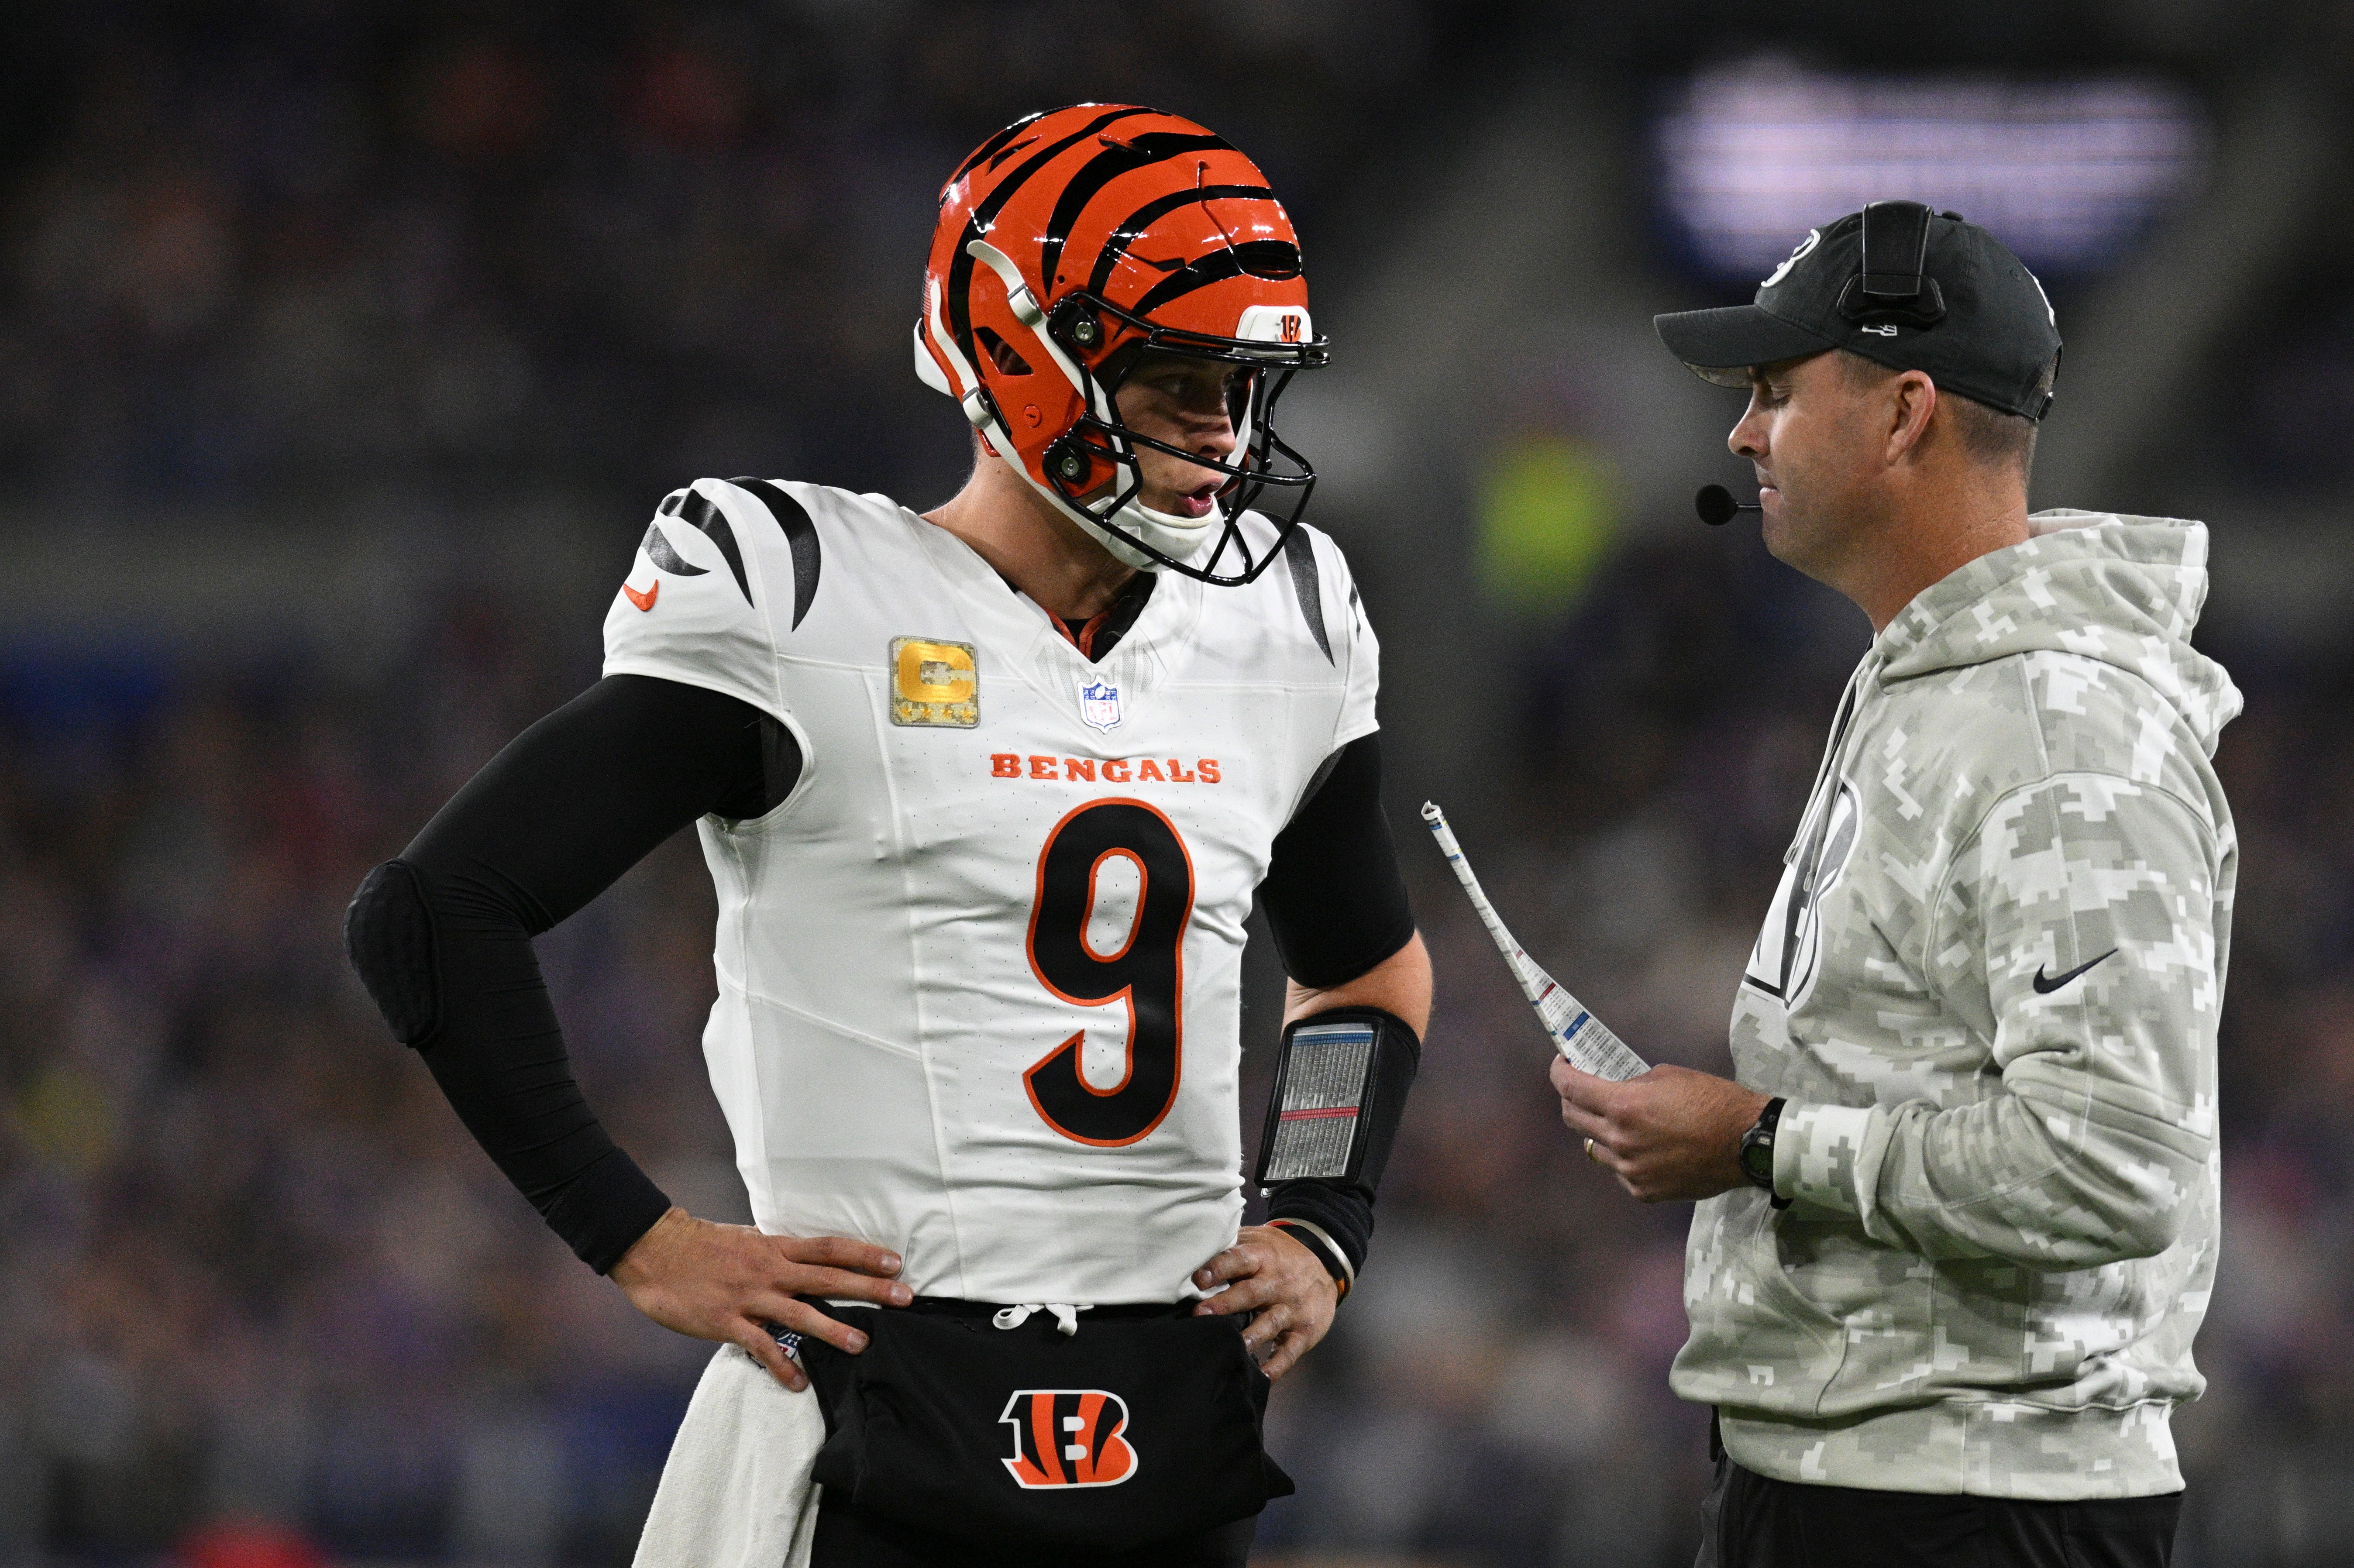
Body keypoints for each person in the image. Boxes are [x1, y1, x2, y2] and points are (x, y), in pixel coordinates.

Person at [343, 104, 1431, 1568]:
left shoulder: (1283, 625)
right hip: (880, 1395)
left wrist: (1317, 1218)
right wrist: (642, 1242)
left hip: (1179, 1408)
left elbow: (1363, 979)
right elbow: (433, 911)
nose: (1219, 435)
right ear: (1021, 353)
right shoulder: (803, 598)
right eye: (1174, 377)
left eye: (1241, 383)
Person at [1552, 202, 2238, 1567]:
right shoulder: (1943, 681)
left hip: (1973, 1499)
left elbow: (2107, 1162)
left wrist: (1756, 1141)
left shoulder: (2057, 729)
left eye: (1776, 391)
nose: (1744, 434)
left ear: (1905, 412)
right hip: (1868, 1470)